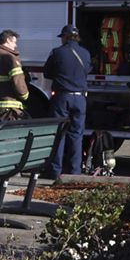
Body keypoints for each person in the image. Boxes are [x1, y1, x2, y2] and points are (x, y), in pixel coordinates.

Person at [44, 24, 91, 178]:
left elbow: (47, 72)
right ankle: (74, 171)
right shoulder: (85, 53)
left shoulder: (57, 52)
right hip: (80, 98)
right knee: (77, 135)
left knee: (59, 134)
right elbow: (88, 70)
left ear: (64, 37)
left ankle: (55, 171)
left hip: (62, 98)